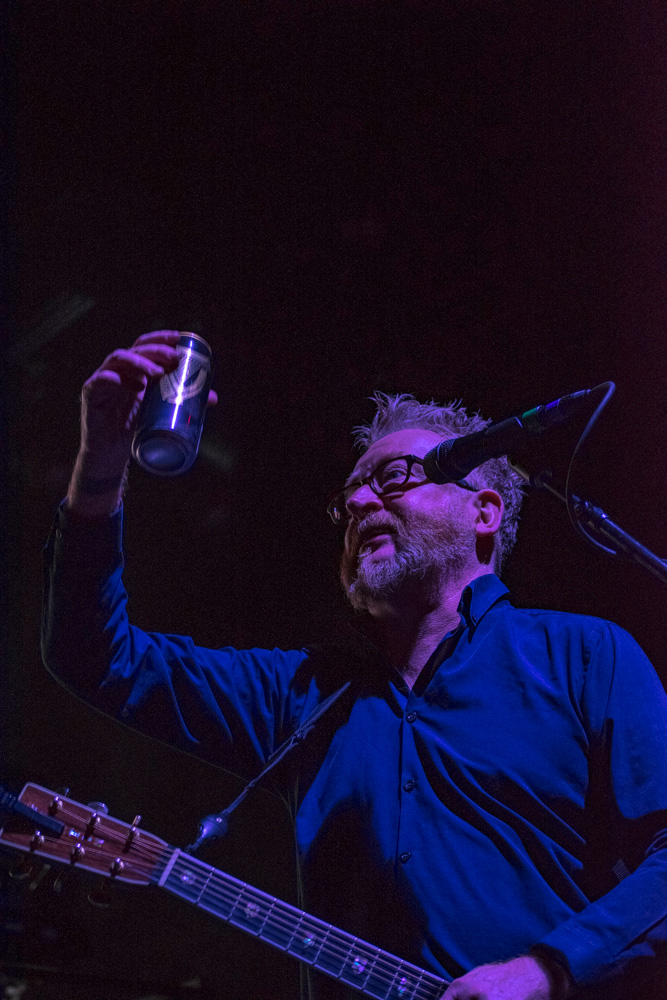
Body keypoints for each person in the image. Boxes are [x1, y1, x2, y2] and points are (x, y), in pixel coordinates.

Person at [42, 331, 667, 1000]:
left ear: (483, 511)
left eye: (393, 477)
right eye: (349, 500)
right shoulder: (300, 695)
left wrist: (546, 970)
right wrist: (100, 464)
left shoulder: (582, 655)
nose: (362, 503)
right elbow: (96, 657)